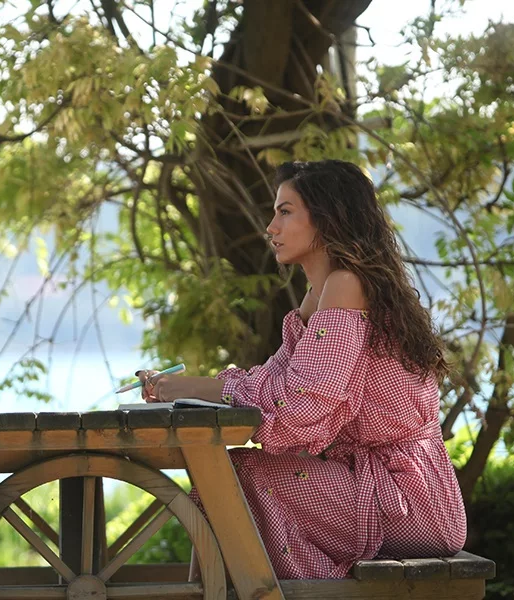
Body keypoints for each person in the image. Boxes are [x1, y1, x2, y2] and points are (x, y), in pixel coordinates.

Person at [137, 159, 467, 580]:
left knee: (238, 471)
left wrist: (192, 389)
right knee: (233, 472)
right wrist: (179, 386)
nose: (270, 227)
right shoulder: (322, 296)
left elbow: (299, 405)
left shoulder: (347, 286)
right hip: (378, 487)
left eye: (285, 211)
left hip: (410, 500)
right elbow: (273, 382)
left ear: (327, 217)